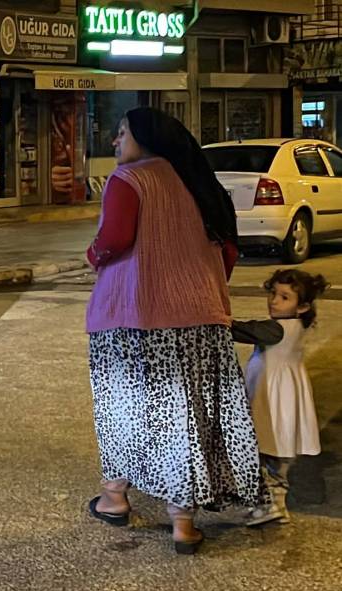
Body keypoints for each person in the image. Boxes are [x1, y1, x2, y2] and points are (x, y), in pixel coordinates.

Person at [84, 107, 265, 555]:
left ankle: (114, 496)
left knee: (124, 410)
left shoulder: (129, 181)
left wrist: (93, 255)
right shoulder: (196, 181)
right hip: (201, 320)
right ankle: (183, 523)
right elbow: (227, 251)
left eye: (121, 132)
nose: (115, 142)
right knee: (185, 419)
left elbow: (115, 238)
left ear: (143, 137)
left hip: (135, 319)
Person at [232, 269, 330, 526]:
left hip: (274, 399)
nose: (274, 300)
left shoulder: (278, 329)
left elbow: (247, 331)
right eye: (273, 294)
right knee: (274, 452)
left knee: (270, 450)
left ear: (302, 306)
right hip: (280, 395)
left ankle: (273, 504)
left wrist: (219, 321)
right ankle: (273, 504)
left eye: (284, 297)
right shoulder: (295, 325)